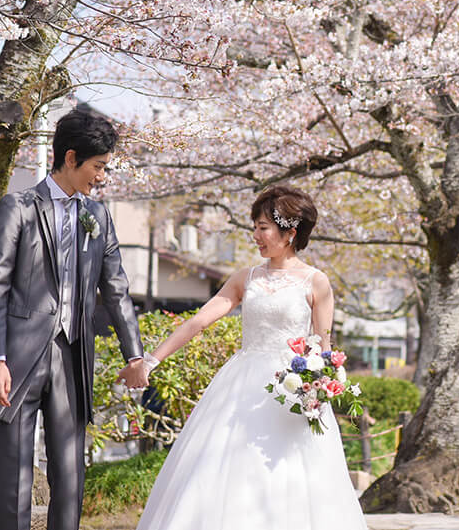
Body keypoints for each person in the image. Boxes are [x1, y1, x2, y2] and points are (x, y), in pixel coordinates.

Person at [134, 185, 366, 530]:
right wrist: (151, 360)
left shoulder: (317, 282)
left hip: (293, 391)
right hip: (241, 386)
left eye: (263, 228)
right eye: (254, 227)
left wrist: (322, 387)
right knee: (226, 470)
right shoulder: (247, 278)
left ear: (289, 233)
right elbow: (199, 321)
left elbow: (323, 344)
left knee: (291, 477)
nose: (255, 235)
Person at [0, 108, 148, 530]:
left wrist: (134, 355)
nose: (101, 177)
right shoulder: (20, 207)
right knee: (14, 469)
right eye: (97, 166)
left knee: (70, 471)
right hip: (17, 358)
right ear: (71, 158)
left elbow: (116, 288)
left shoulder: (97, 217)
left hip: (72, 356)